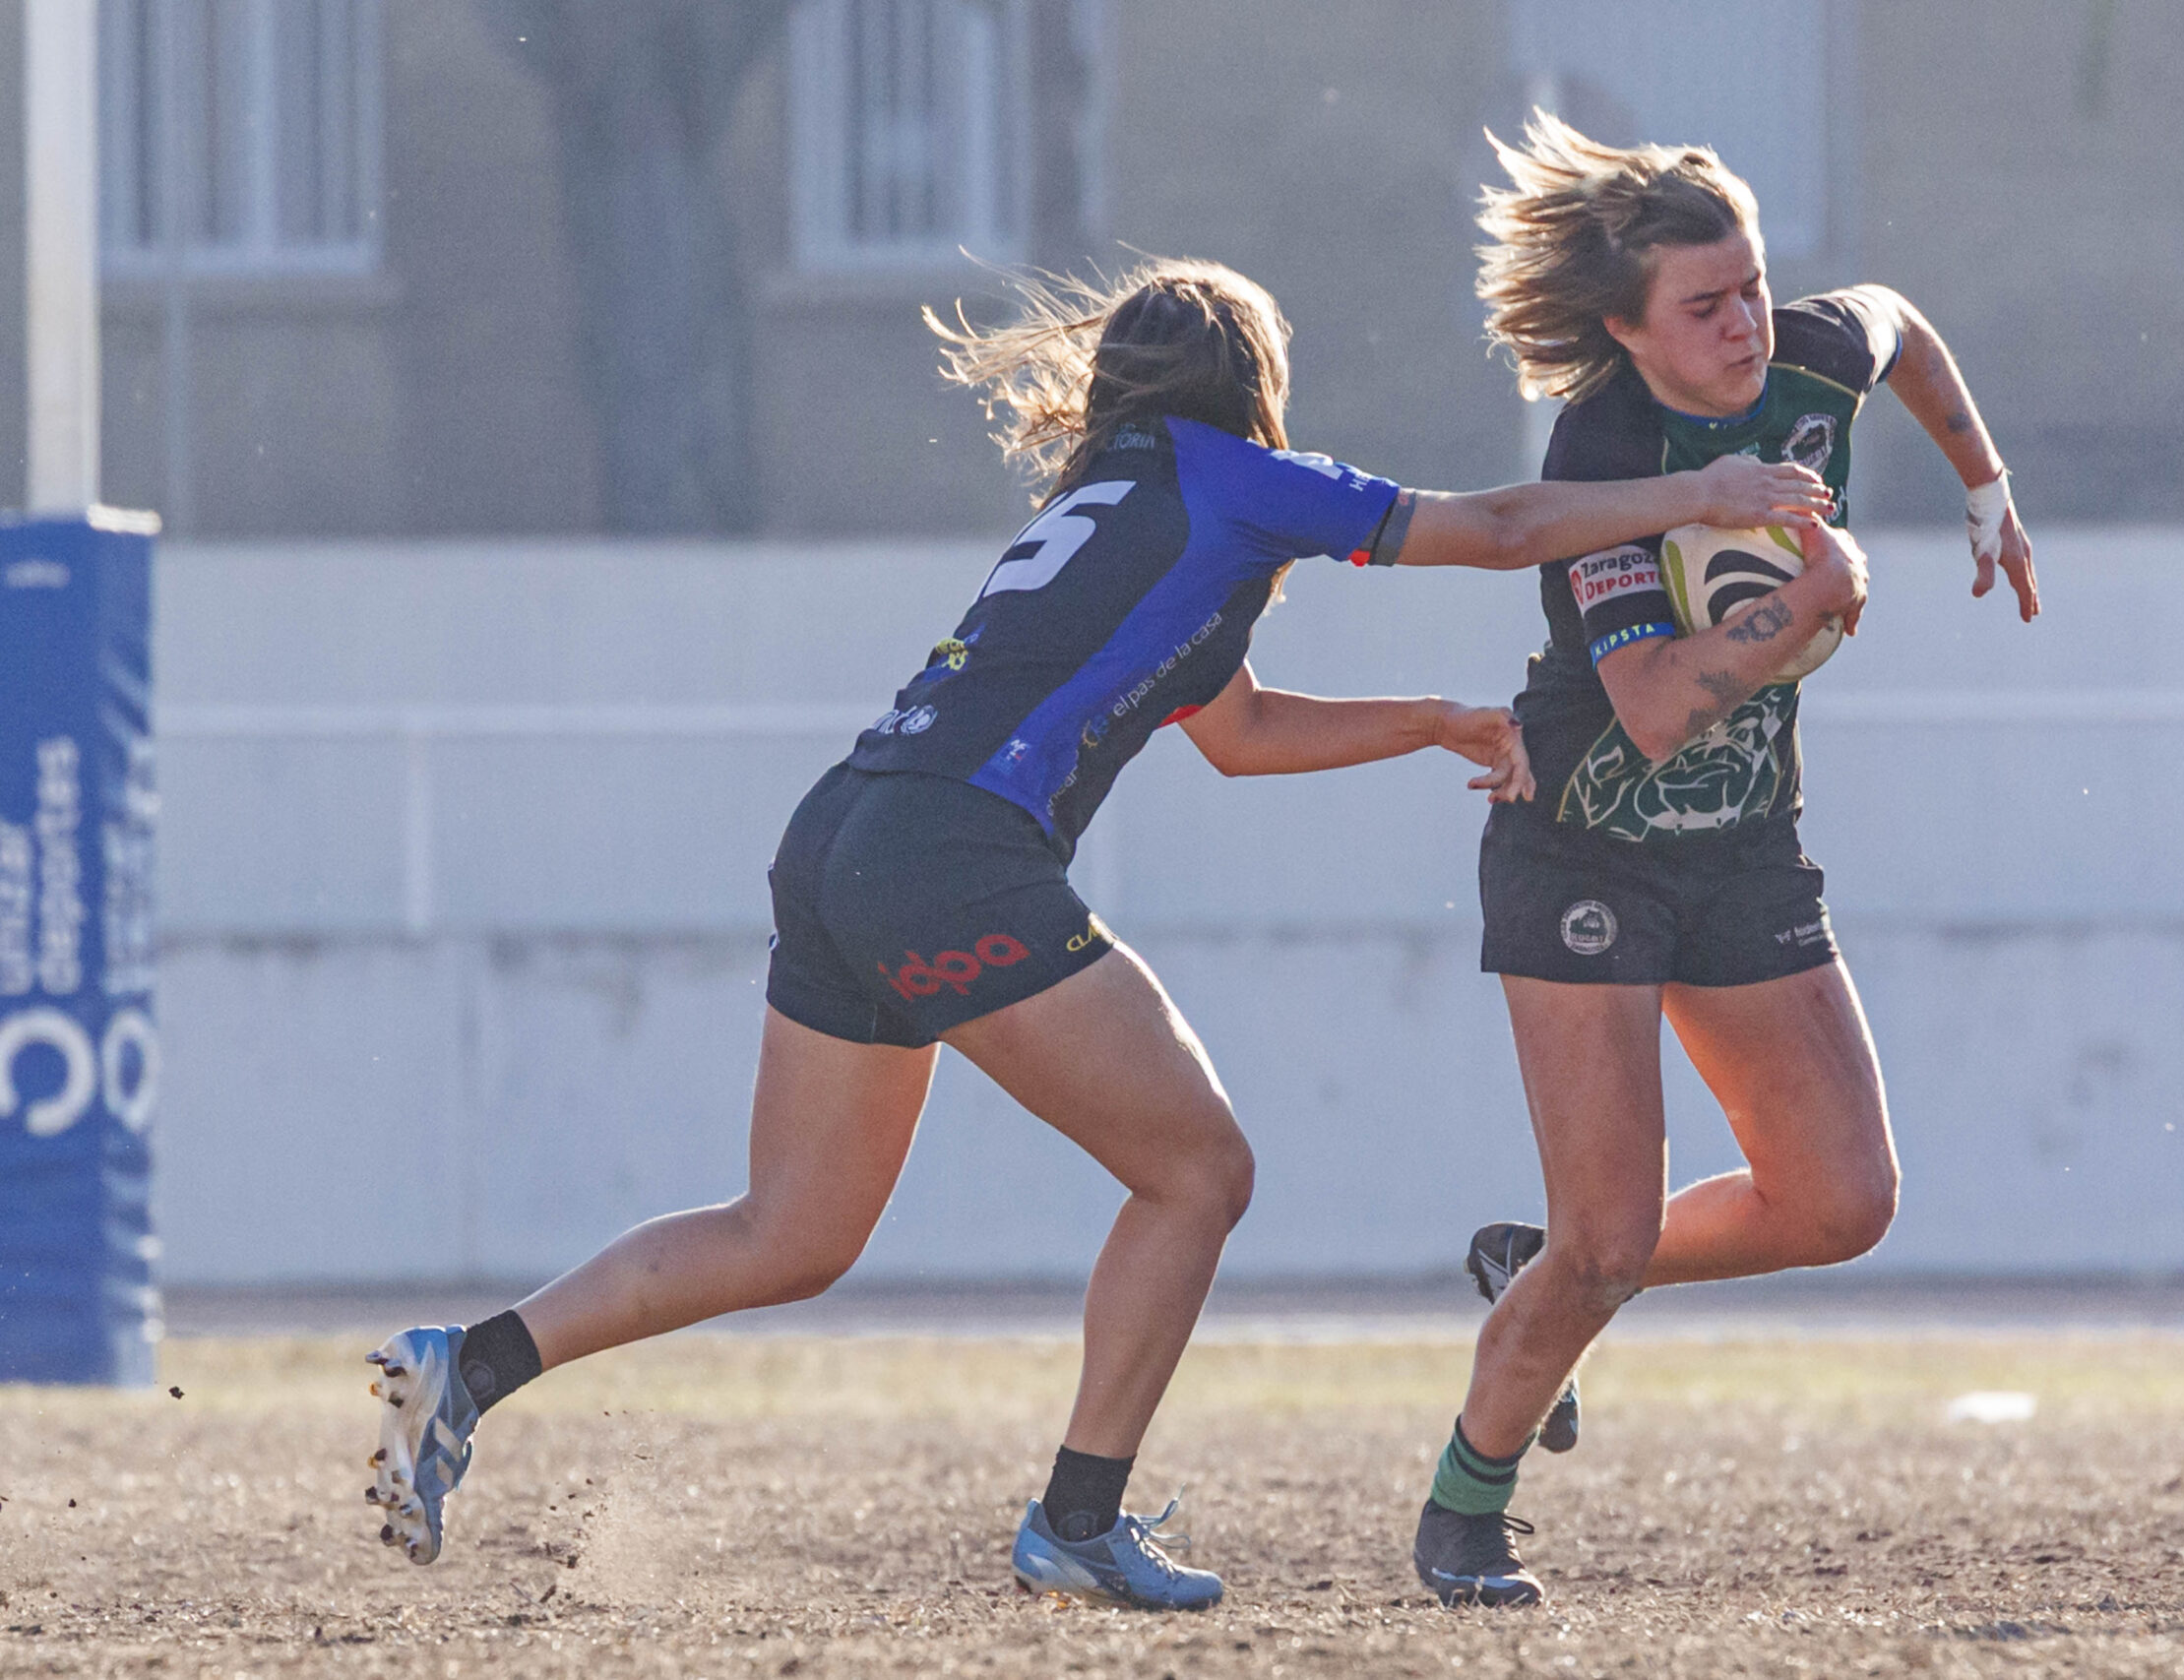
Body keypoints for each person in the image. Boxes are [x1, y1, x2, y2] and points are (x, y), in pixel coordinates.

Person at [359, 257, 1835, 1611]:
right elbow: (1503, 525)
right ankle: (1077, 1518)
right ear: (1255, 382)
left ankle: (469, 1368)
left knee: (789, 1232)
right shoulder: (1241, 480)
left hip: (846, 832)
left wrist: (1437, 723)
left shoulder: (1116, 507)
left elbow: (1240, 733)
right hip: (953, 853)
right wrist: (1701, 493)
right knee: (1198, 1169)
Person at [1412, 115, 2044, 1607]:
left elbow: (1902, 331)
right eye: (1706, 308)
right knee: (1612, 1237)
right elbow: (1642, 712)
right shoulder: (1606, 454)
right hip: (1585, 843)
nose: (1748, 324)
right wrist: (1813, 604)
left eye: (1753, 286)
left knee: (1841, 1201)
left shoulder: (1811, 354)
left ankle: (1540, 1265)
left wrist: (1984, 484)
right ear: (1626, 331)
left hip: (1745, 844)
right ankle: (1465, 1510)